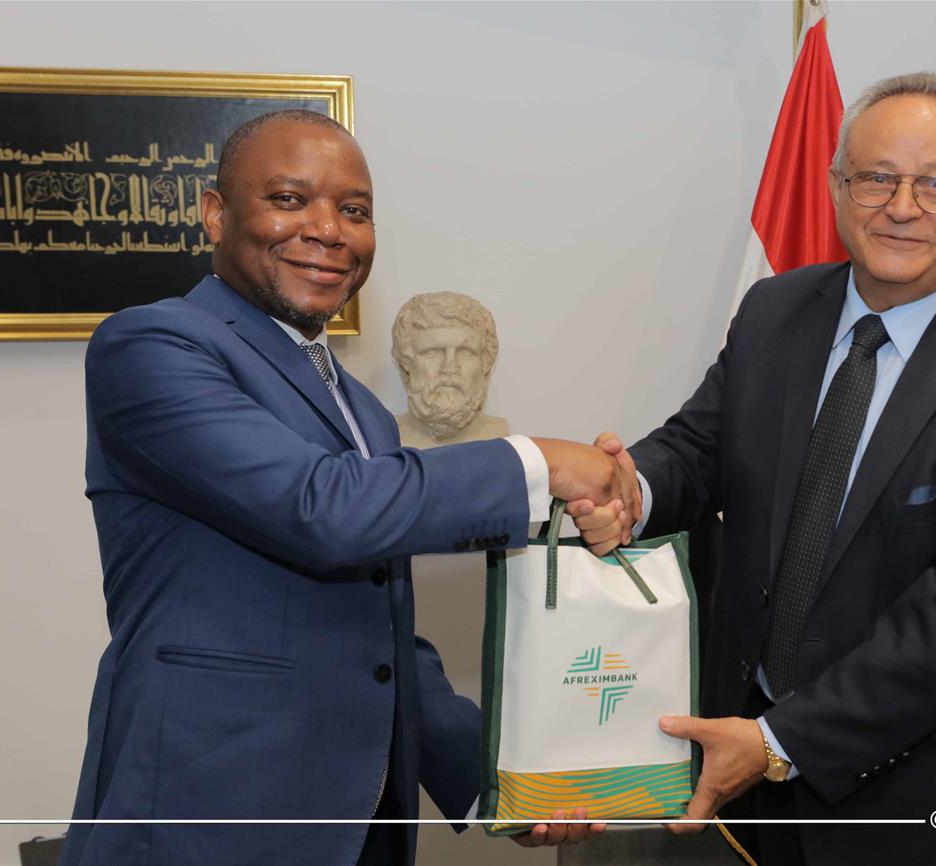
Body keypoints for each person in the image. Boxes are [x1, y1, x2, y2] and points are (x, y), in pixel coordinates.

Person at [60, 110, 635, 866]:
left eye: (354, 210)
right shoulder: (151, 346)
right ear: (216, 214)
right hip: (210, 815)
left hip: (361, 825)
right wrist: (538, 463)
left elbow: (379, 632)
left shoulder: (360, 408)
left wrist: (492, 787)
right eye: (289, 200)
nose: (329, 230)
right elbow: (319, 508)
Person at [575, 72, 936, 865]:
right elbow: (698, 448)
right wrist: (628, 490)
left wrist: (780, 741)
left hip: (926, 796)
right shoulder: (773, 310)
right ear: (835, 187)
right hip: (746, 769)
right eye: (877, 177)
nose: (901, 206)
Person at [391, 292, 510, 447]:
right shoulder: (385, 438)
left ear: (485, 365)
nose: (449, 368)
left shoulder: (499, 438)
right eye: (432, 352)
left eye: (466, 353)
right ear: (406, 364)